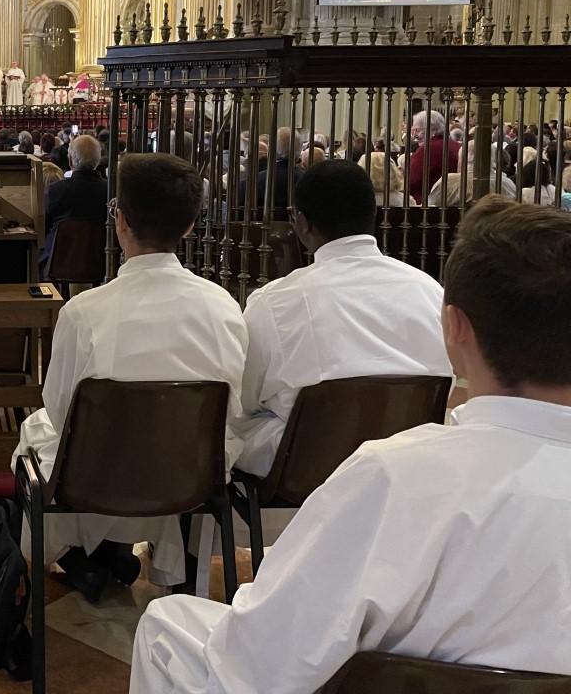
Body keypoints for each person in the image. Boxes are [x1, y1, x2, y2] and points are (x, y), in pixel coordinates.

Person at [132, 197, 571, 693]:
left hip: (292, 483)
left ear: (454, 327)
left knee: (166, 626)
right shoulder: (400, 464)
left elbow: (263, 663)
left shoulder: (393, 477)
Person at [14, 154, 246, 600]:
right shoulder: (223, 308)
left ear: (119, 221)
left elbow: (61, 410)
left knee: (36, 433)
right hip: (189, 479)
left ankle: (87, 555)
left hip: (93, 480)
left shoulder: (83, 312)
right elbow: (234, 405)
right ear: (191, 225)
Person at [233, 161, 452, 476]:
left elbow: (246, 396)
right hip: (410, 457)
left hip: (310, 463)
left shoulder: (274, 301)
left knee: (235, 424)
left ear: (301, 223)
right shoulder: (429, 291)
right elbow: (445, 380)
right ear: (373, 214)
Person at [41, 134, 107, 274]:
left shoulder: (57, 190)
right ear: (98, 159)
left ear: (70, 159)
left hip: (59, 261)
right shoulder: (109, 191)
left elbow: (44, 226)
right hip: (101, 261)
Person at [406, 109, 460, 203]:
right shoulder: (458, 146)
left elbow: (411, 181)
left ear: (432, 129)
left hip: (428, 206)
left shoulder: (428, 149)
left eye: (417, 130)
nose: (414, 136)